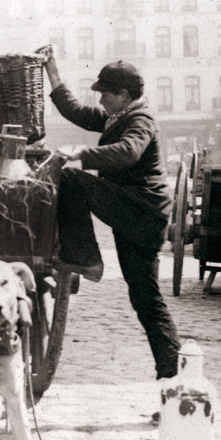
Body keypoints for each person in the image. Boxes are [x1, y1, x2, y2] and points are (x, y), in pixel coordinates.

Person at [44, 53, 180, 381]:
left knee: (72, 178)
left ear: (124, 95)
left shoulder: (140, 119)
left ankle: (84, 257)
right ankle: (172, 374)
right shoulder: (117, 116)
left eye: (105, 93)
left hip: (140, 212)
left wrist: (81, 153)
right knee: (144, 297)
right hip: (135, 213)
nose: (100, 99)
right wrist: (52, 71)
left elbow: (129, 151)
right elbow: (75, 111)